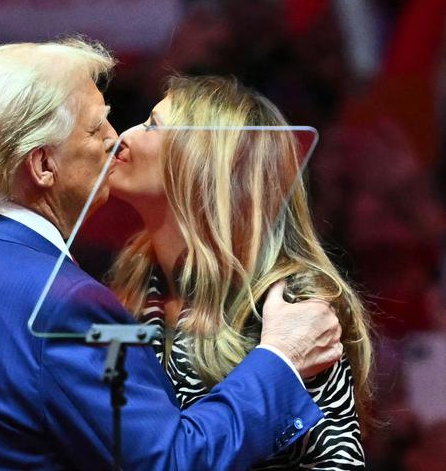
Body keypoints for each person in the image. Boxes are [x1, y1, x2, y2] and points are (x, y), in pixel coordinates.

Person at [0, 38, 343, 470]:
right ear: (43, 165)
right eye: (96, 128)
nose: (116, 138)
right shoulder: (63, 303)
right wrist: (281, 359)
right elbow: (173, 462)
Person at [108, 75, 373, 469]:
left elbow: (336, 462)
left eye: (152, 125)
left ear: (201, 163)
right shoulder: (135, 277)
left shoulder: (289, 301)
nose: (123, 135)